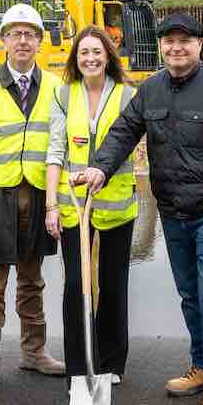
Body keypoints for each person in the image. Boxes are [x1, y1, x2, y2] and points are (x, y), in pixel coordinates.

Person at [75, 11, 203, 405]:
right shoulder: (150, 90)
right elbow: (123, 131)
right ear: (161, 47)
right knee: (190, 294)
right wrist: (101, 166)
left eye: (184, 41)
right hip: (172, 213)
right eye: (169, 41)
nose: (176, 47)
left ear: (199, 45)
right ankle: (201, 366)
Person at [0, 3, 66, 397]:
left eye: (30, 34)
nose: (23, 40)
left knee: (32, 281)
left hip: (39, 195)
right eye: (15, 33)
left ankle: (34, 351)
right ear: (3, 40)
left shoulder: (58, 88)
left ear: (40, 42)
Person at [44, 26, 137, 384]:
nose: (91, 58)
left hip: (117, 208)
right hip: (73, 208)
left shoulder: (127, 96)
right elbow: (55, 151)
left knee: (113, 285)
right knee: (75, 285)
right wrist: (51, 204)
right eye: (84, 53)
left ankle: (111, 361)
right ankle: (79, 367)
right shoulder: (63, 96)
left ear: (108, 55)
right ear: (75, 58)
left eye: (97, 52)